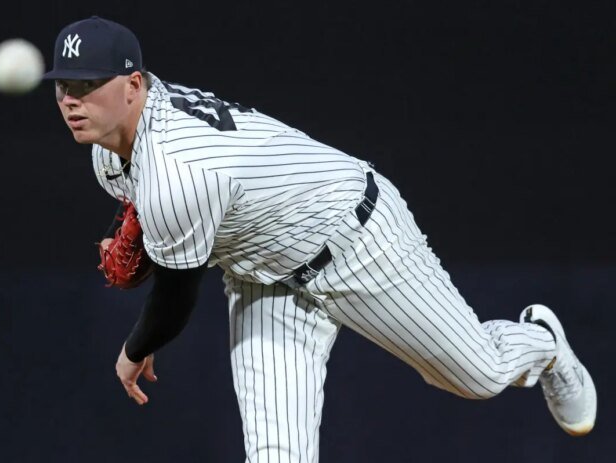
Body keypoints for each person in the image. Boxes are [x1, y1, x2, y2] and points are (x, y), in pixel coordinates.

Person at [43, 16, 597, 462]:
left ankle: (543, 344)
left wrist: (135, 349)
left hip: (358, 240)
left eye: (89, 85)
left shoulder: (179, 167)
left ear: (134, 85)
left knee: (477, 375)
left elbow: (175, 298)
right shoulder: (110, 152)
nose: (71, 100)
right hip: (264, 277)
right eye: (65, 85)